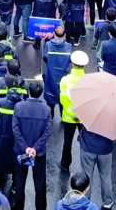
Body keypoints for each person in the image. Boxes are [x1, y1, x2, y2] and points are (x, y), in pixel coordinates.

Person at [12, 80, 51, 210]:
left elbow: (15, 130)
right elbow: (47, 132)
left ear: (29, 91)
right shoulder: (46, 109)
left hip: (21, 151)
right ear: (40, 93)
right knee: (40, 184)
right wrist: (35, 148)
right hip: (39, 153)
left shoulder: (19, 107)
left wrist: (26, 148)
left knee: (19, 182)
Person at [58, 51, 89, 171]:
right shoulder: (88, 80)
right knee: (85, 143)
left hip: (68, 117)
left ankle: (65, 164)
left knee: (67, 142)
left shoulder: (65, 80)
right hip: (83, 118)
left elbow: (63, 100)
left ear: (72, 64)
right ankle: (85, 166)